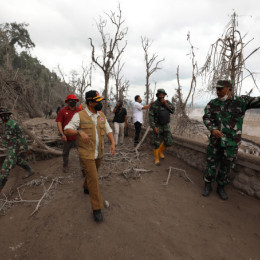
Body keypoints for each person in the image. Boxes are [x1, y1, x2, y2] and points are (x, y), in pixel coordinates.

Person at [202, 80, 260, 200]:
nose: (217, 92)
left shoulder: (241, 101)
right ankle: (207, 185)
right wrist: (212, 129)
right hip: (215, 142)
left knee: (226, 166)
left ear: (229, 89)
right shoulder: (212, 104)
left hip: (231, 143)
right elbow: (206, 117)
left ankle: (221, 187)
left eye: (220, 89)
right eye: (216, 89)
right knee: (211, 164)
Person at [64, 90, 115, 222]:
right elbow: (67, 130)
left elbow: (108, 129)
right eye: (97, 101)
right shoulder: (79, 116)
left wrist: (113, 143)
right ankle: (97, 208)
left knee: (92, 175)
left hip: (99, 153)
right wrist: (79, 131)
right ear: (90, 102)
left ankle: (86, 187)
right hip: (86, 154)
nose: (100, 104)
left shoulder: (101, 115)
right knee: (94, 179)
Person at [0, 108, 35, 192]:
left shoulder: (15, 125)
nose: (4, 116)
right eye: (2, 115)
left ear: (9, 115)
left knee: (6, 167)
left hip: (14, 146)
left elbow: (21, 137)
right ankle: (30, 170)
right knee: (16, 160)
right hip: (5, 147)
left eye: (6, 114)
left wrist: (27, 148)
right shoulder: (0, 124)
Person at [56, 94, 81, 173]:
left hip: (77, 136)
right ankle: (65, 165)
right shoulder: (62, 111)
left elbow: (83, 123)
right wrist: (61, 134)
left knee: (82, 152)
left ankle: (83, 168)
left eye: (74, 100)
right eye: (71, 100)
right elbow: (59, 123)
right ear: (67, 101)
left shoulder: (79, 111)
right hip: (66, 136)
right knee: (65, 152)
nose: (73, 102)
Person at [149, 89, 175, 166]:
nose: (161, 96)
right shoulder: (153, 105)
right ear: (157, 95)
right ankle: (157, 159)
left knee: (169, 141)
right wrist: (153, 127)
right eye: (160, 94)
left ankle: (160, 151)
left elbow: (173, 111)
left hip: (166, 125)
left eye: (163, 94)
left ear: (164, 95)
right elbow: (151, 117)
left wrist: (166, 104)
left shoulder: (167, 102)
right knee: (156, 142)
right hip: (157, 125)